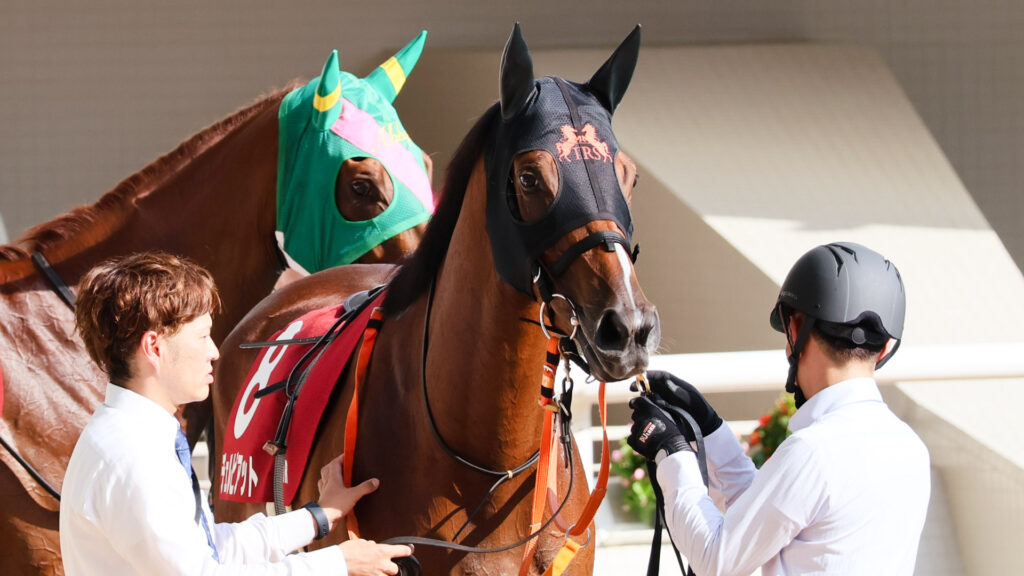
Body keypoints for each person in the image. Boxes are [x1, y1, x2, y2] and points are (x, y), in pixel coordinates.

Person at [60, 251, 412, 575]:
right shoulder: (134, 457)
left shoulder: (129, 437)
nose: (214, 352)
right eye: (202, 337)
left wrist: (318, 515)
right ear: (154, 347)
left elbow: (211, 547)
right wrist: (337, 563)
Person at [627, 241, 931, 575]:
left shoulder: (813, 451)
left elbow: (716, 559)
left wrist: (672, 452)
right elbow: (770, 517)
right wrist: (711, 428)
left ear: (796, 328)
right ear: (885, 347)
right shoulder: (911, 449)